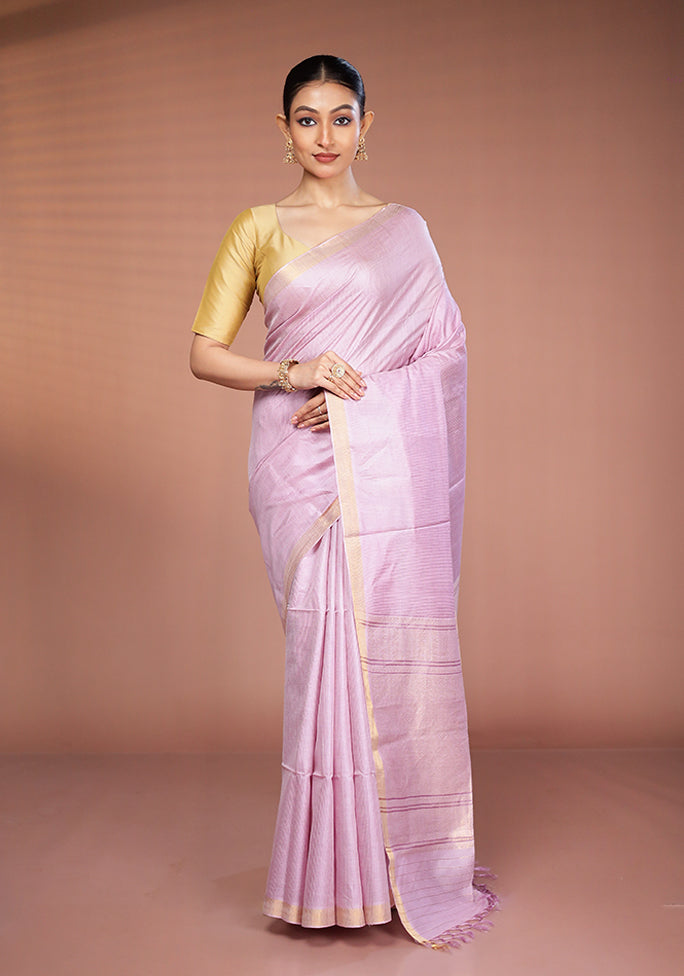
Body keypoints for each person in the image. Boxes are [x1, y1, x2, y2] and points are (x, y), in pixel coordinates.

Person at [189, 54, 499, 951]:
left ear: (367, 125)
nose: (324, 136)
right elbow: (205, 353)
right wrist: (297, 372)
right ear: (282, 129)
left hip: (377, 459)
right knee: (321, 659)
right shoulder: (257, 227)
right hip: (295, 463)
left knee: (377, 656)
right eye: (306, 118)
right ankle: (328, 877)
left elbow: (445, 353)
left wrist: (365, 404)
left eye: (340, 117)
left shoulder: (404, 230)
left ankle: (381, 873)